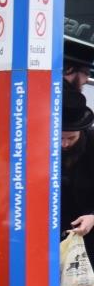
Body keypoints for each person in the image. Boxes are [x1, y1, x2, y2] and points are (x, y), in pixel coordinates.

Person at [61, 90, 94, 257]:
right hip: (56, 230)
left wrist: (93, 217)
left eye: (71, 138)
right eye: (60, 138)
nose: (65, 144)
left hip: (89, 232)